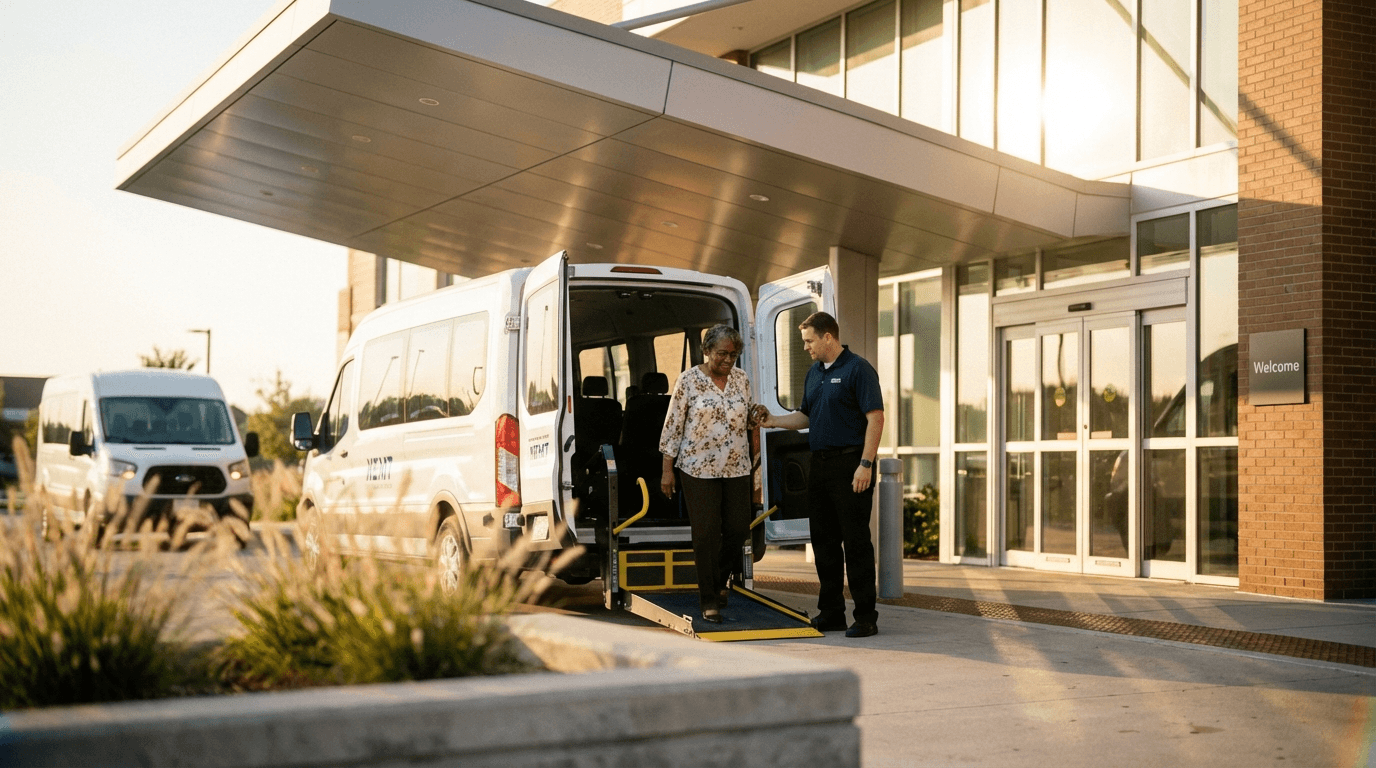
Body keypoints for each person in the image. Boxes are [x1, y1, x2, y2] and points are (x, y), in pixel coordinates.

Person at [757, 311, 884, 638]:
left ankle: (866, 617)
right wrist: (773, 420)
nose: (806, 347)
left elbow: (876, 418)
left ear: (829, 336)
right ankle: (831, 613)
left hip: (852, 465)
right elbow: (805, 416)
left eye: (809, 340)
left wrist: (866, 464)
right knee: (824, 544)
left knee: (855, 544)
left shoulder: (859, 369)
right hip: (821, 466)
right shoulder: (814, 373)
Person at [658, 324, 757, 624]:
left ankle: (719, 580)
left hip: (737, 466)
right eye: (722, 354)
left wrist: (757, 415)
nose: (728, 360)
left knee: (739, 528)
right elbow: (673, 425)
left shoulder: (741, 379)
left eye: (734, 354)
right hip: (697, 468)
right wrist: (667, 470)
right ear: (707, 351)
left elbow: (747, 414)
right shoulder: (688, 380)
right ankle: (709, 599)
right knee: (706, 534)